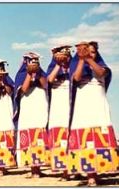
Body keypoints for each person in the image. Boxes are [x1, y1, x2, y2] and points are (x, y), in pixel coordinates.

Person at [68, 41, 119, 186]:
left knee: (99, 137)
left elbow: (100, 73)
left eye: (92, 52)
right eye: (86, 51)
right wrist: (81, 60)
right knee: (86, 140)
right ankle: (90, 175)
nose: (89, 54)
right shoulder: (76, 65)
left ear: (97, 53)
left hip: (98, 105)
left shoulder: (101, 66)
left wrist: (89, 59)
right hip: (83, 108)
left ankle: (98, 172)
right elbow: (77, 78)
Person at [13, 52, 49, 178]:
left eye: (36, 62)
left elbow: (46, 85)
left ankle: (39, 167)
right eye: (32, 61)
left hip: (40, 105)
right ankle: (33, 169)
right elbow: (23, 89)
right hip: (28, 107)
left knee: (40, 132)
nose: (34, 63)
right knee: (29, 134)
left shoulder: (42, 74)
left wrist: (38, 73)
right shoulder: (21, 74)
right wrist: (29, 74)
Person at [46, 45, 72, 180]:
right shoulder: (53, 67)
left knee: (72, 137)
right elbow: (49, 80)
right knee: (60, 138)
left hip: (71, 106)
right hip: (57, 109)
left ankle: (74, 167)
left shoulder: (73, 67)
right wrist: (58, 64)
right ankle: (64, 171)